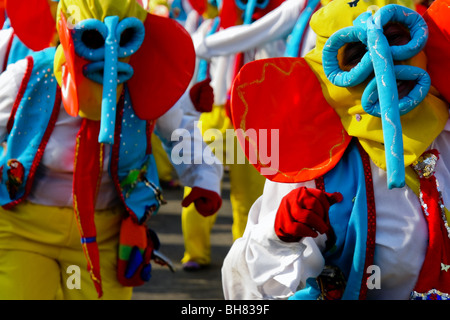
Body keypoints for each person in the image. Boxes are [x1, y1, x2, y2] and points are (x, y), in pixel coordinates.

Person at [222, 0, 450, 299]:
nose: (384, 64)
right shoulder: (315, 162)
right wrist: (279, 237)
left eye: (395, 39)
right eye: (356, 55)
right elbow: (247, 288)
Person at [0, 0, 222, 300]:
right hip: (24, 229)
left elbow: (180, 130)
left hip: (104, 235)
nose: (109, 52)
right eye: (92, 38)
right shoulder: (29, 75)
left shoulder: (143, 80)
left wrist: (203, 178)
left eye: (124, 38)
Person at [180, 0, 320, 271]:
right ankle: (195, 253)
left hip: (258, 115)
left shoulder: (282, 25)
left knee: (252, 195)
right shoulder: (210, 28)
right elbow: (194, 56)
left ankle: (244, 260)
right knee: (200, 183)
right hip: (216, 114)